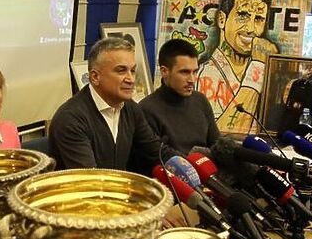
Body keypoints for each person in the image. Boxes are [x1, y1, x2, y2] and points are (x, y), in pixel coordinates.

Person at [48, 36, 160, 173]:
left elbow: (157, 152)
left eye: (132, 70)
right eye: (121, 70)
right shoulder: (70, 119)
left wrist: (186, 165)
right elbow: (90, 180)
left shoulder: (131, 108)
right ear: (95, 77)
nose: (131, 79)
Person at [197, 0, 279, 133]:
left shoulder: (269, 72)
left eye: (259, 19)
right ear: (222, 20)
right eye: (243, 16)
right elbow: (220, 137)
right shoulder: (203, 75)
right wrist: (257, 69)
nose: (251, 28)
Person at [140, 38, 219, 155]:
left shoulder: (200, 100)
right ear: (164, 71)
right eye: (185, 72)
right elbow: (153, 158)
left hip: (208, 171)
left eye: (195, 72)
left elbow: (217, 147)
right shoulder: (146, 109)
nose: (192, 80)